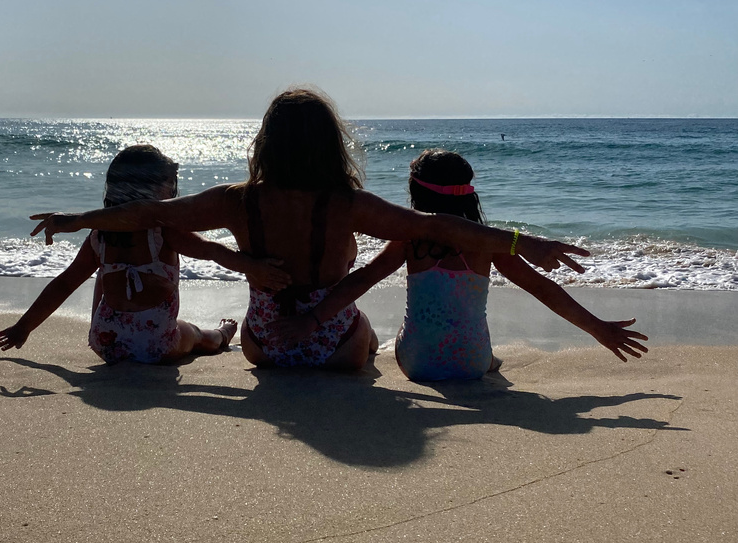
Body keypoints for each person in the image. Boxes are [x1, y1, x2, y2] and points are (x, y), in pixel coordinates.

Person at [28, 89, 591, 371]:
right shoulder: (348, 204)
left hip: (263, 345)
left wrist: (80, 220)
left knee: (267, 326)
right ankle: (364, 346)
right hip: (336, 348)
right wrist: (523, 242)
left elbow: (151, 215)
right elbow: (437, 224)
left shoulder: (236, 200)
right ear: (330, 144)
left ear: (265, 142)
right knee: (370, 338)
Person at [265, 148, 648, 381]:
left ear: (416, 195)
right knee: (482, 349)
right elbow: (542, 288)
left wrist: (310, 320)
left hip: (416, 365)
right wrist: (598, 328)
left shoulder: (408, 240)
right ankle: (490, 360)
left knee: (401, 328)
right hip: (472, 364)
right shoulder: (490, 246)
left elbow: (361, 279)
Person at [0, 145, 290, 365]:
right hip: (157, 345)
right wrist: (253, 266)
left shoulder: (98, 237)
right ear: (156, 194)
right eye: (171, 186)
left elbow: (64, 284)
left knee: (103, 273)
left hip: (105, 342)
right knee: (196, 334)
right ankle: (222, 334)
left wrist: (23, 327)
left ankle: (119, 325)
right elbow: (212, 251)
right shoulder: (164, 233)